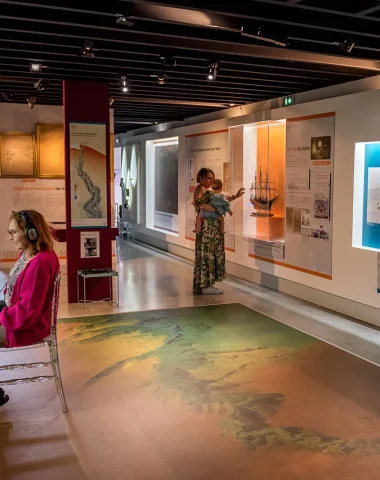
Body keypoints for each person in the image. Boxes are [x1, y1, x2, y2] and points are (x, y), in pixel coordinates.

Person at [0, 210, 60, 406]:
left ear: (31, 233)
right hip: (17, 313)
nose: (11, 237)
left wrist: (3, 313)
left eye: (13, 232)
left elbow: (27, 313)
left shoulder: (39, 263)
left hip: (29, 324)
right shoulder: (30, 254)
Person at [193, 168, 244, 294]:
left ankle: (205, 284)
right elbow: (200, 204)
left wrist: (234, 196)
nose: (211, 180)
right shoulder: (201, 188)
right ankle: (206, 285)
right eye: (209, 178)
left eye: (212, 178)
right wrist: (217, 210)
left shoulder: (206, 190)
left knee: (208, 254)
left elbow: (220, 199)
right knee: (208, 254)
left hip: (210, 228)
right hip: (208, 228)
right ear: (201, 178)